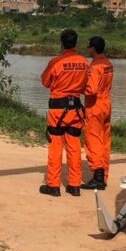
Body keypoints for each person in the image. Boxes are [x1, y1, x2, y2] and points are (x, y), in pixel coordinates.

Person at [39, 28, 88, 197]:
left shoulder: (56, 62)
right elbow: (86, 86)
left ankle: (53, 185)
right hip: (75, 109)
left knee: (56, 146)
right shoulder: (84, 63)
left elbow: (45, 82)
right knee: (74, 146)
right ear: (76, 43)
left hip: (58, 110)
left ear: (62, 43)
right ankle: (74, 185)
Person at [81, 36, 114, 191]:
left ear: (93, 48)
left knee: (93, 139)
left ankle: (98, 176)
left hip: (95, 105)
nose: (88, 49)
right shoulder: (108, 64)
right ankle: (104, 175)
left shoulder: (95, 66)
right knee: (104, 140)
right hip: (106, 103)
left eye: (89, 47)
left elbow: (92, 89)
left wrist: (80, 88)